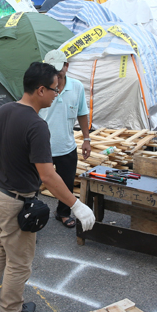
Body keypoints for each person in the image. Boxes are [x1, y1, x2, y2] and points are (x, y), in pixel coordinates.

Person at [0, 62, 96, 312]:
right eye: (54, 90)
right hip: (14, 200)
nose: (56, 94)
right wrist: (76, 205)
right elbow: (48, 175)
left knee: (1, 244)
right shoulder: (37, 125)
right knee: (20, 261)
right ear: (40, 90)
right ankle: (10, 311)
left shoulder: (2, 111)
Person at [37, 51, 91, 228]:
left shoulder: (76, 87)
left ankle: (63, 212)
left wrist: (86, 139)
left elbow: (82, 113)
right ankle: (30, 213)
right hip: (41, 147)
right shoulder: (40, 87)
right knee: (33, 183)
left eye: (59, 71)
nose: (56, 76)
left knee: (66, 183)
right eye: (51, 71)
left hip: (66, 146)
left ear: (66, 66)